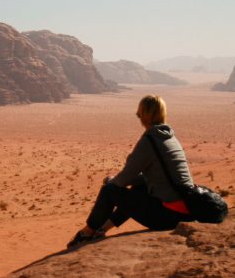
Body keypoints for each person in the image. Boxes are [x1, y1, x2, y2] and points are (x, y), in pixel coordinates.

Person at [67, 94, 195, 249]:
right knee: (139, 187)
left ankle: (87, 233)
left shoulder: (150, 140)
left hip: (167, 217)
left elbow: (125, 178)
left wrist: (111, 181)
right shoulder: (169, 137)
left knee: (109, 190)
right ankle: (102, 229)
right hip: (185, 210)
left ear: (142, 115)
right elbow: (148, 177)